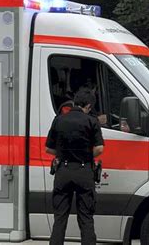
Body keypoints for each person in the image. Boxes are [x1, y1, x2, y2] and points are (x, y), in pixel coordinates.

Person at [45, 89, 104, 245]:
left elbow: (48, 149)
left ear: (75, 102)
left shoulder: (59, 120)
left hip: (63, 171)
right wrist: (85, 155)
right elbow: (99, 149)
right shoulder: (91, 121)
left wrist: (64, 153)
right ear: (89, 106)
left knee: (60, 219)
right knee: (86, 218)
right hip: (84, 172)